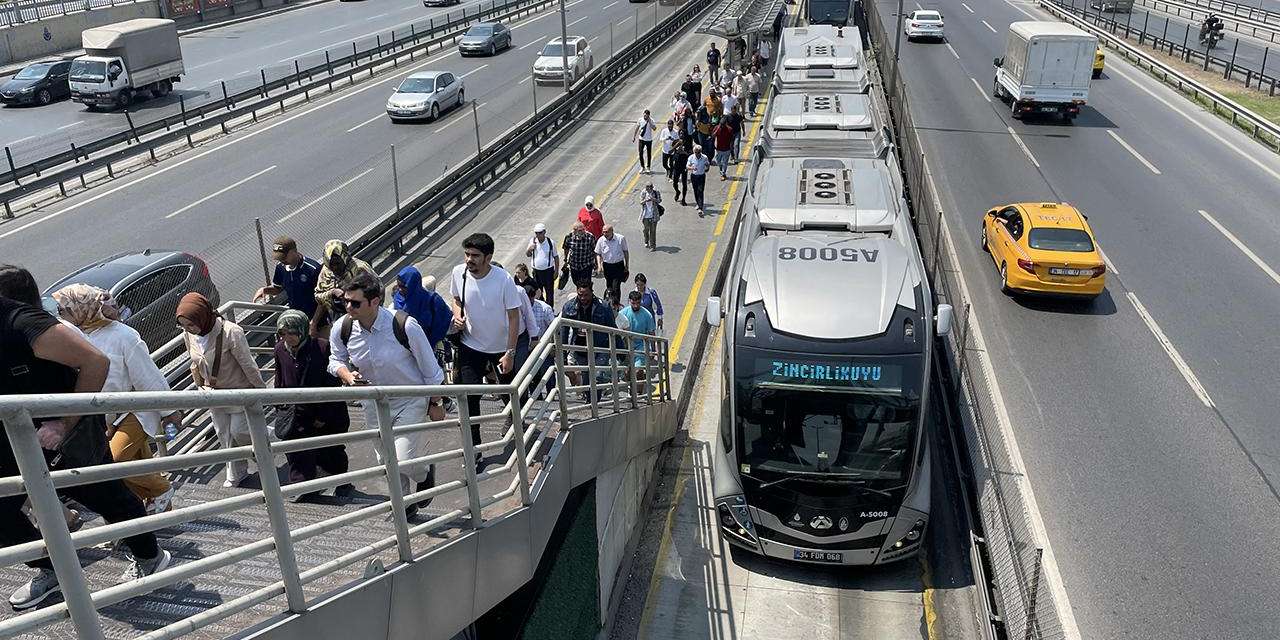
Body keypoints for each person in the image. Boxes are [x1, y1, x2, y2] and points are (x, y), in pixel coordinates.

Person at [0, 265, 170, 610]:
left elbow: (95, 360)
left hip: (66, 430)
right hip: (19, 433)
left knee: (102, 493)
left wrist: (64, 423)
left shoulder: (26, 323)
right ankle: (57, 570)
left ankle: (151, 557)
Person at [52, 284, 177, 515]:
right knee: (134, 465)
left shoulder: (123, 336)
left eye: (65, 310)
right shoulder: (75, 336)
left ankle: (161, 490)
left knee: (116, 462)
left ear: (82, 310)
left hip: (133, 410)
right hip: (105, 417)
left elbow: (147, 375)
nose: (60, 314)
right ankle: (150, 512)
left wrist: (169, 411)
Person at [328, 274, 445, 519]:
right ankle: (405, 504)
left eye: (355, 303)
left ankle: (424, 474)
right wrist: (347, 375)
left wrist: (435, 401)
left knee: (402, 458)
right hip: (374, 402)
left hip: (409, 398)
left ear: (375, 302)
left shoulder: (404, 326)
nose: (348, 307)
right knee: (386, 461)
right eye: (346, 302)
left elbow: (430, 368)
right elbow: (335, 359)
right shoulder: (344, 327)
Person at [178, 292, 266, 488]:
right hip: (213, 395)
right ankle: (236, 473)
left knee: (240, 431)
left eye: (191, 324)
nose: (188, 329)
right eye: (183, 325)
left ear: (203, 316)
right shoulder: (189, 335)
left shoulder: (230, 332)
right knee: (224, 435)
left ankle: (272, 443)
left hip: (239, 393)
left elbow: (248, 365)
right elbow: (195, 362)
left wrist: (261, 392)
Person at [449, 233, 523, 458]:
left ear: (488, 258)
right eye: (467, 254)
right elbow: (456, 299)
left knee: (510, 392)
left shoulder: (503, 280)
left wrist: (510, 352)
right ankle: (474, 447)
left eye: (475, 256)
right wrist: (457, 315)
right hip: (471, 347)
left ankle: (515, 422)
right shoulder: (458, 273)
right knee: (469, 397)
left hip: (501, 349)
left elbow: (513, 317)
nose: (469, 259)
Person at [272, 310, 352, 503]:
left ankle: (341, 482)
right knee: (296, 449)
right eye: (282, 334)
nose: (287, 338)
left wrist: (322, 416)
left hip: (326, 410)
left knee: (331, 449)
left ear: (301, 331)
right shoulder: (280, 350)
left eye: (292, 333)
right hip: (295, 411)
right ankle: (303, 486)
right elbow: (279, 379)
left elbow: (333, 384)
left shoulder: (322, 348)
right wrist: (279, 405)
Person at [311, 240, 377, 338]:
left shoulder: (359, 268)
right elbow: (318, 296)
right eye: (331, 264)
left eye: (338, 263)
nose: (335, 267)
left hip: (364, 315)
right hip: (338, 317)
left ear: (345, 258)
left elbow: (377, 291)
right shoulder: (326, 272)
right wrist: (332, 293)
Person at [559, 279, 616, 392]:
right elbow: (564, 331)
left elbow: (613, 329)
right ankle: (590, 402)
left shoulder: (603, 307)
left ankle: (595, 400)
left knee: (598, 376)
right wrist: (563, 355)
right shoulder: (569, 307)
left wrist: (620, 353)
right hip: (580, 348)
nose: (583, 298)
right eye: (580, 295)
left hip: (600, 347)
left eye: (586, 295)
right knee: (586, 379)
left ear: (592, 292)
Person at [253, 236, 321, 321]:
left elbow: (323, 300)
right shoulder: (280, 267)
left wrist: (314, 322)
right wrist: (265, 290)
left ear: (293, 252)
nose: (282, 261)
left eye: (283, 257)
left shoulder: (313, 269)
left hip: (317, 319)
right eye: (279, 258)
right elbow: (278, 288)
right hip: (296, 318)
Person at [393, 266, 452, 348]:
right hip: (405, 347)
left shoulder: (433, 300)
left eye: (404, 287)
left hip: (430, 345)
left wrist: (426, 346)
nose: (400, 290)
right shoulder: (397, 298)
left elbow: (442, 324)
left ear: (413, 285)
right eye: (399, 286)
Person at [618, 290, 656, 388]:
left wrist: (653, 350)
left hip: (641, 346)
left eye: (638, 303)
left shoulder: (647, 315)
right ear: (629, 301)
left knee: (638, 370)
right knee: (627, 373)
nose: (635, 306)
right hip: (626, 346)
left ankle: (639, 393)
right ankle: (632, 392)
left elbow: (652, 333)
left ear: (641, 301)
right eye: (633, 303)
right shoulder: (623, 313)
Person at [525, 222, 560, 304]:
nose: (538, 235)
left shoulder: (550, 242)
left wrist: (556, 271)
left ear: (544, 232)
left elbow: (556, 257)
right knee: (537, 291)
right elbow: (528, 254)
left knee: (549, 292)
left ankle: (550, 309)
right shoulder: (533, 241)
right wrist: (530, 249)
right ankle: (541, 307)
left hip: (548, 271)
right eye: (536, 233)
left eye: (540, 233)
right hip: (536, 271)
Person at [595, 225, 630, 300]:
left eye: (606, 232)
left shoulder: (620, 238)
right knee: (609, 286)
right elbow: (598, 253)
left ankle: (616, 304)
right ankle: (609, 303)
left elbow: (625, 252)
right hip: (607, 266)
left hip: (618, 266)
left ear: (612, 231)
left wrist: (627, 265)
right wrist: (599, 266)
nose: (605, 234)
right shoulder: (601, 240)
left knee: (616, 287)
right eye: (603, 232)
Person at [562, 221, 597, 286]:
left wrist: (596, 263)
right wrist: (565, 260)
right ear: (575, 231)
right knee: (576, 282)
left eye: (584, 229)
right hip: (574, 265)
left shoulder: (590, 237)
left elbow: (594, 250)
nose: (583, 231)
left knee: (586, 284)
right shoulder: (569, 237)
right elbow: (566, 248)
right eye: (580, 230)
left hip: (586, 265)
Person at [687, 144, 712, 215]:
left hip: (701, 176)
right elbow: (687, 166)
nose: (697, 154)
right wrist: (692, 168)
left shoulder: (704, 157)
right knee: (695, 190)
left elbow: (707, 164)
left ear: (700, 152)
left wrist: (707, 168)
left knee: (700, 191)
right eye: (695, 152)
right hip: (694, 176)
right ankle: (698, 203)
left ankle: (700, 208)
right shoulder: (691, 157)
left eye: (698, 152)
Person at [632, 109, 656, 173]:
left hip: (648, 139)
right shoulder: (640, 120)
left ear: (648, 115)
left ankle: (648, 167)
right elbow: (637, 128)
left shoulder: (652, 120)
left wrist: (649, 122)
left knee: (649, 154)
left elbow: (654, 128)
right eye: (644, 115)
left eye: (646, 115)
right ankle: (642, 167)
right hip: (641, 139)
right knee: (640, 153)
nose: (645, 116)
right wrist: (634, 137)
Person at [640, 183, 662, 251]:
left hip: (654, 215)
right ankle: (646, 240)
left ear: (652, 187)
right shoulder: (643, 192)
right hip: (645, 215)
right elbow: (641, 202)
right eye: (647, 187)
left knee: (653, 231)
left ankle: (653, 246)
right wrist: (646, 200)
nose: (649, 189)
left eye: (650, 188)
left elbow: (659, 200)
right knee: (646, 230)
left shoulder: (656, 192)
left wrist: (653, 199)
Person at [670, 139, 690, 206]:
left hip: (684, 167)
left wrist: (683, 152)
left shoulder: (687, 145)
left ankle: (683, 199)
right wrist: (676, 146)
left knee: (684, 184)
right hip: (677, 167)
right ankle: (677, 192)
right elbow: (670, 151)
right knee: (674, 183)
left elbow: (690, 155)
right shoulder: (675, 143)